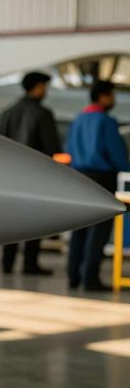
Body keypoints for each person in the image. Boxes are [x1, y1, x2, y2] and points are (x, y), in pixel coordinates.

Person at [65, 80, 129, 292]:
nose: (113, 100)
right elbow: (117, 154)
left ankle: (73, 276)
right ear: (103, 96)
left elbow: (69, 149)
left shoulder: (78, 119)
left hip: (78, 176)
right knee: (99, 230)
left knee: (79, 228)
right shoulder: (106, 121)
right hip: (102, 177)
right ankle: (91, 279)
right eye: (112, 95)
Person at [0, 72, 60, 275]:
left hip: (9, 178)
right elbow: (51, 148)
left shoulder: (8, 113)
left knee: (9, 222)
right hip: (35, 178)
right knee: (34, 222)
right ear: (37, 87)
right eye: (45, 87)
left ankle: (7, 263)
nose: (46, 91)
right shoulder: (42, 113)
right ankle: (30, 264)